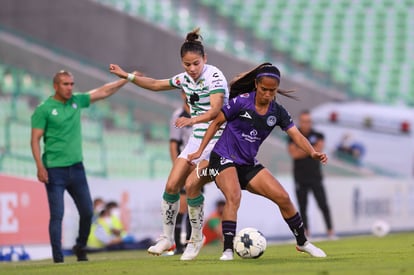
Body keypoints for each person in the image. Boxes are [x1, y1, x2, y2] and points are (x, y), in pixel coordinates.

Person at [109, 28, 229, 260]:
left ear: (205, 59)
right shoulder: (184, 79)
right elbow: (154, 84)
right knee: (172, 185)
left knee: (192, 185)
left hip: (219, 136)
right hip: (197, 137)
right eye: (187, 64)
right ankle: (167, 238)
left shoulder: (214, 76)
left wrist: (191, 119)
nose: (192, 69)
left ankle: (196, 238)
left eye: (196, 63)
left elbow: (215, 111)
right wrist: (127, 76)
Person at [187, 63, 328, 261]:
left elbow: (296, 134)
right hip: (223, 156)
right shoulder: (241, 102)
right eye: (264, 89)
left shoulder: (278, 112)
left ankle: (303, 242)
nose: (267, 94)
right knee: (234, 196)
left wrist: (312, 152)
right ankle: (228, 250)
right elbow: (217, 122)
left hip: (247, 163)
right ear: (256, 85)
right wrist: (200, 151)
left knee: (283, 198)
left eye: (272, 91)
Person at [30, 70, 128, 263]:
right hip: (54, 170)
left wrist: (127, 79)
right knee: (57, 214)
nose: (69, 88)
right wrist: (40, 166)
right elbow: (35, 140)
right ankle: (58, 259)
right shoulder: (44, 109)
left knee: (87, 212)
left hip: (76, 168)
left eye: (72, 84)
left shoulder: (77, 101)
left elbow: (103, 92)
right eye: (65, 84)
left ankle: (80, 246)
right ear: (55, 86)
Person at [288, 110, 335, 238]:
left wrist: (303, 149)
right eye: (303, 121)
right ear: (300, 122)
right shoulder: (293, 135)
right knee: (302, 207)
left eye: (308, 121)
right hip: (300, 177)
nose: (306, 124)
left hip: (315, 176)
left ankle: (330, 231)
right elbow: (294, 154)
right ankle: (306, 233)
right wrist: (311, 149)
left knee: (323, 204)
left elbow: (319, 149)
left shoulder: (318, 135)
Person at [169, 91, 192, 254]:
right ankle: (178, 244)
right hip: (184, 166)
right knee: (183, 206)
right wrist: (177, 167)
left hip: (197, 166)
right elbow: (173, 143)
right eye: (185, 92)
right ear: (182, 94)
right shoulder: (178, 115)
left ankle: (191, 243)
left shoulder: (201, 113)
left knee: (195, 205)